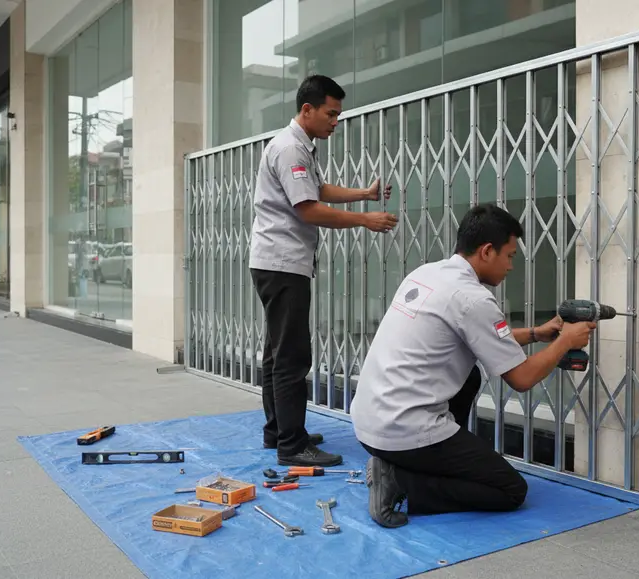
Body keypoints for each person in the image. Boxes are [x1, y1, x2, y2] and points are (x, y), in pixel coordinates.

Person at [350, 204, 597, 528]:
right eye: (509, 256)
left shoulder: (426, 273)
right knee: (510, 490)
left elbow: (481, 337)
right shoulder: (473, 299)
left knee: (470, 376)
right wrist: (565, 342)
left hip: (369, 422)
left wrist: (539, 333)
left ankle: (409, 463)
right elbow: (521, 378)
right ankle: (402, 482)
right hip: (403, 430)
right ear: (486, 251)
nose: (510, 266)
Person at [249, 74, 399, 468]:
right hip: (283, 264)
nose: (336, 121)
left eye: (338, 115)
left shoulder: (300, 148)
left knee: (277, 352)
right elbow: (309, 208)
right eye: (331, 114)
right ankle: (292, 446)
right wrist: (365, 220)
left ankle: (279, 430)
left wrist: (363, 194)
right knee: (292, 357)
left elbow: (318, 189)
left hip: (275, 263)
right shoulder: (290, 150)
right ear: (307, 110)